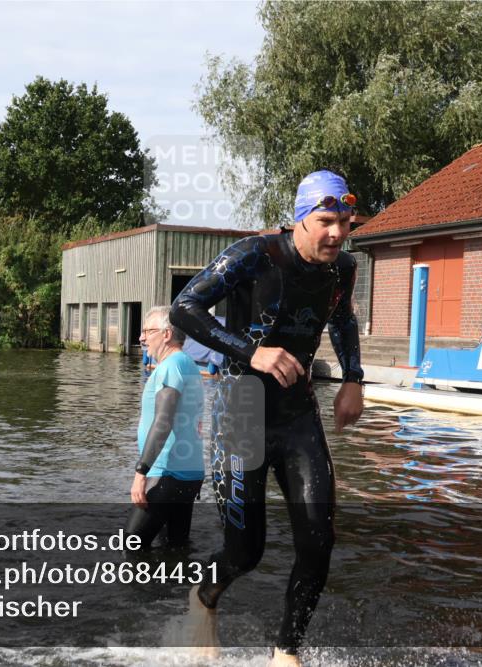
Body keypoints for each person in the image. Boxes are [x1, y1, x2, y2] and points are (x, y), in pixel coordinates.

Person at [170, 170, 365, 665]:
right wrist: (250, 352)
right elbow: (184, 307)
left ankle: (285, 654)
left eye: (346, 223)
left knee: (319, 538)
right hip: (241, 410)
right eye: (326, 221)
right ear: (300, 219)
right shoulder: (256, 255)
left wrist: (352, 379)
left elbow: (341, 318)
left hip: (298, 414)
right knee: (246, 552)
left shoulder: (342, 269)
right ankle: (204, 593)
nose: (337, 234)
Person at [126, 306, 205, 549]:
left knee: (132, 545)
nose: (141, 338)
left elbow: (163, 422)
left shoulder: (171, 367)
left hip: (168, 474)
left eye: (148, 331)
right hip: (188, 474)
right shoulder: (187, 365)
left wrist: (141, 473)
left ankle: (141, 587)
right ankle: (176, 586)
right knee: (175, 547)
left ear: (167, 334)